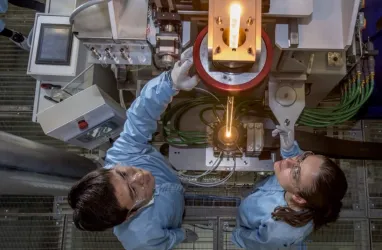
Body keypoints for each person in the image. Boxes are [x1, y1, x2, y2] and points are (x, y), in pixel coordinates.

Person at [68, 48, 200, 250]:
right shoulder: (142, 240)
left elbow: (140, 116)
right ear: (129, 216)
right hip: (175, 214)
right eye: (133, 191)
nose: (139, 177)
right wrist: (180, 234)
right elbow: (165, 240)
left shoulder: (121, 156)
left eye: (123, 173)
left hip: (173, 180)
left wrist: (170, 83)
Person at [231, 125, 348, 249]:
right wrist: (288, 145)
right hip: (254, 197)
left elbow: (251, 242)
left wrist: (237, 232)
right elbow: (296, 157)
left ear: (298, 198)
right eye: (303, 158)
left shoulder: (280, 233)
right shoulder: (304, 182)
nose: (288, 161)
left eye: (296, 172)